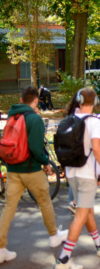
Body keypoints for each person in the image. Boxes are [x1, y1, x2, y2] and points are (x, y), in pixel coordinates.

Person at [0, 86, 68, 265]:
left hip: (13, 169)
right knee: (44, 202)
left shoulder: (12, 115)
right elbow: (37, 148)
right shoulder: (34, 119)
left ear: (21, 100)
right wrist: (46, 163)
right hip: (31, 170)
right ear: (36, 101)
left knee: (8, 209)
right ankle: (54, 236)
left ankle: (0, 249)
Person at [55, 88, 100, 268]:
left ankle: (99, 245)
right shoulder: (94, 122)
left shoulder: (69, 119)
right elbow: (96, 148)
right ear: (95, 102)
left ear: (78, 101)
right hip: (87, 175)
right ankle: (64, 258)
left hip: (72, 173)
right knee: (81, 215)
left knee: (87, 211)